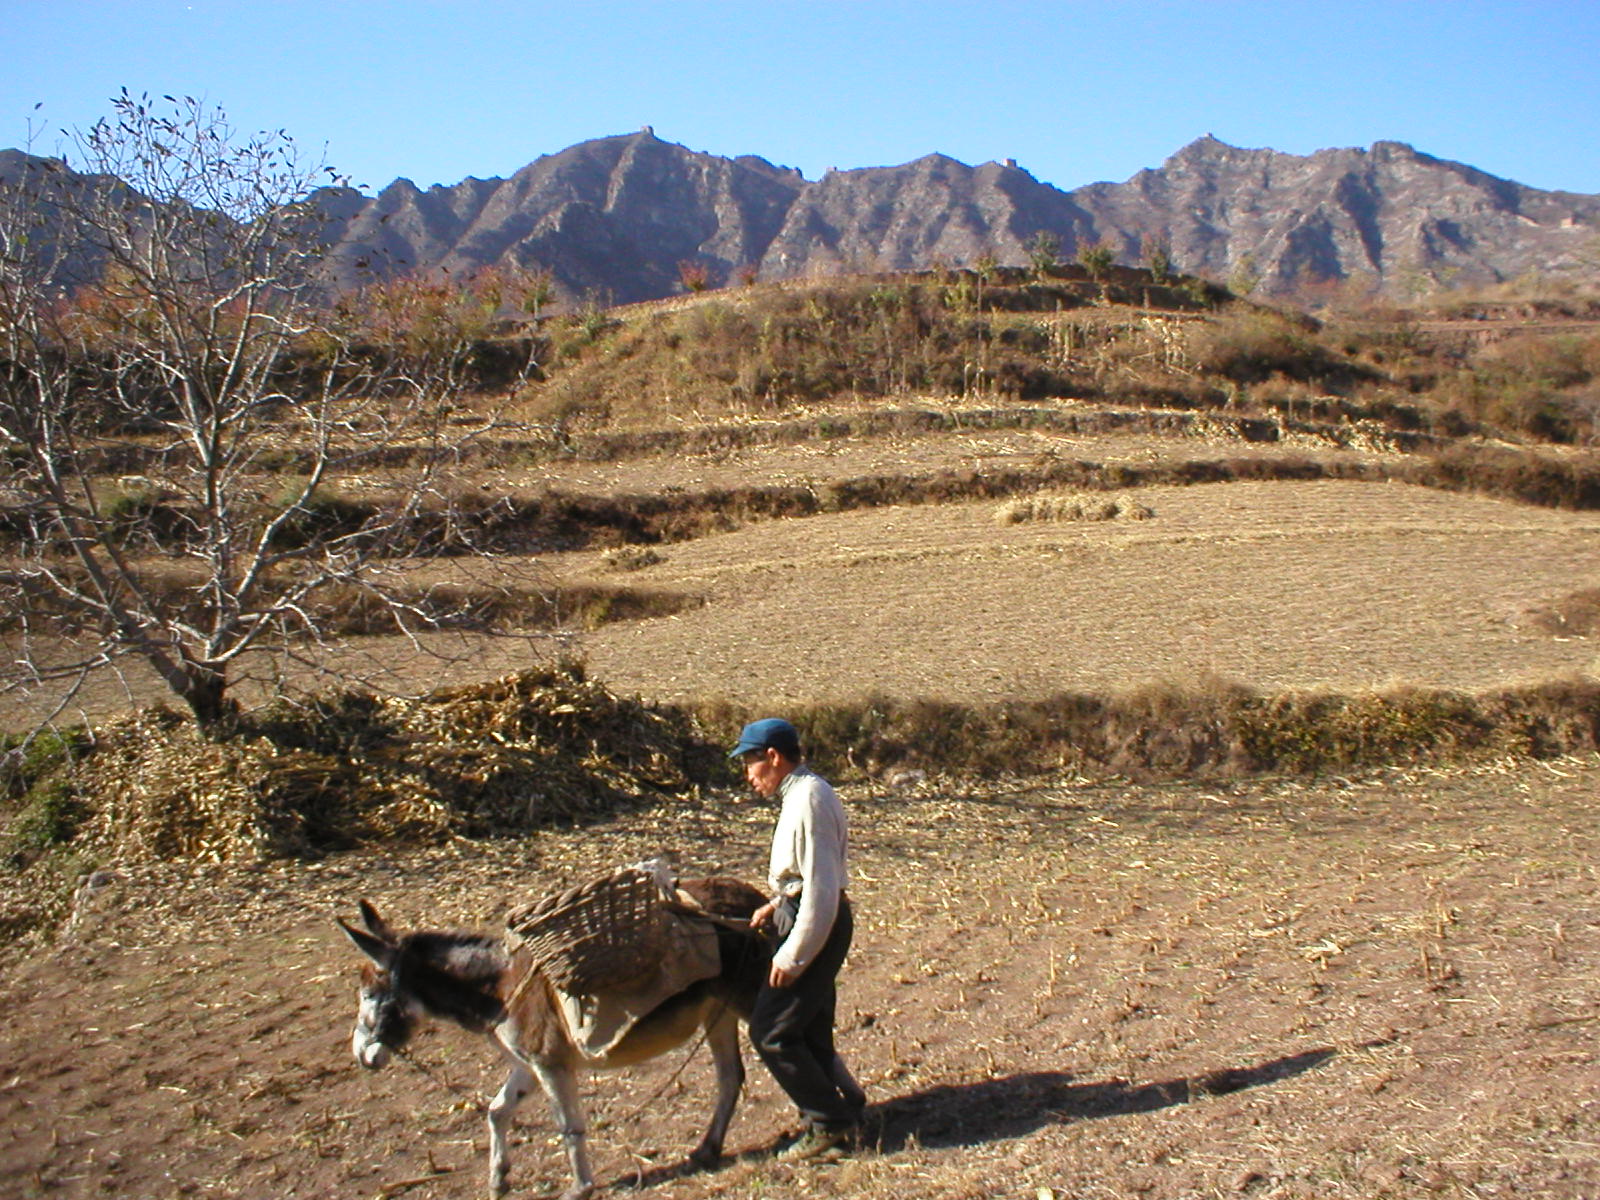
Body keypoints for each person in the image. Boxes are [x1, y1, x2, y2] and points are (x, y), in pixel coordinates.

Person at [729, 717, 866, 1162]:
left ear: (773, 757)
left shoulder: (807, 800)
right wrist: (775, 903)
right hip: (803, 912)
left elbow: (822, 891)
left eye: (750, 762)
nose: (748, 775)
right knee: (808, 1028)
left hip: (815, 923)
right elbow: (805, 878)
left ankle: (829, 1122)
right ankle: (844, 1105)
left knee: (771, 1031)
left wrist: (794, 954)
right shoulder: (803, 793)